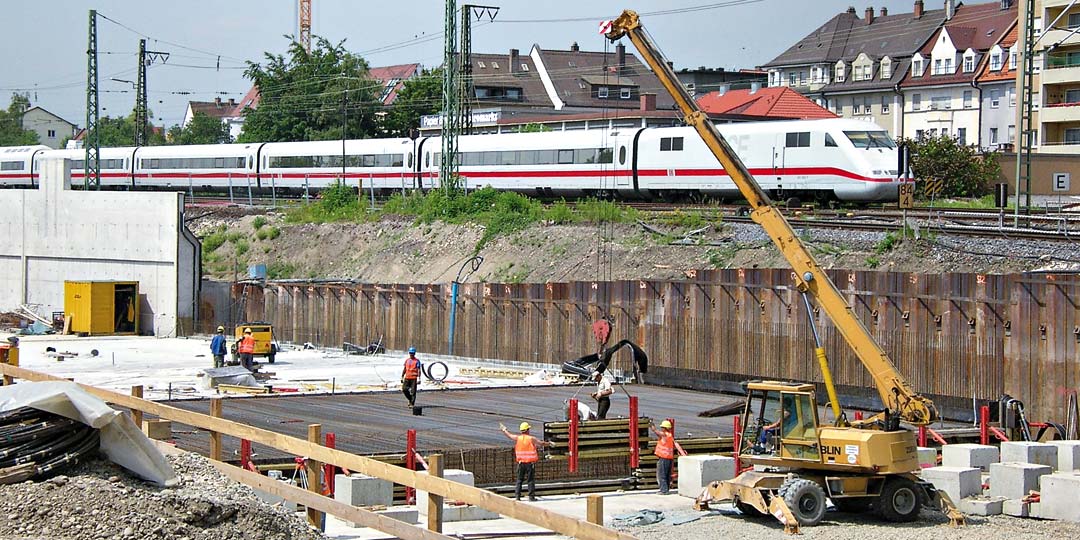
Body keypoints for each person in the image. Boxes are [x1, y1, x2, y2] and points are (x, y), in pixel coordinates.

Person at [500, 422, 552, 501]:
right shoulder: (531, 439)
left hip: (521, 463)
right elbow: (541, 443)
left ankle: (517, 497)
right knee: (530, 480)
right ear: (527, 430)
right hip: (530, 464)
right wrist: (550, 444)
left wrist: (504, 430)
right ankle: (531, 497)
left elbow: (510, 436)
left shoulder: (518, 438)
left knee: (519, 480)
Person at [650, 419, 686, 495]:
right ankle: (666, 489)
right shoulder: (670, 436)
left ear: (664, 428)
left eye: (662, 427)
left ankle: (664, 490)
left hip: (663, 458)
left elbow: (655, 431)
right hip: (669, 458)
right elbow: (675, 444)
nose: (661, 428)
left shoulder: (664, 435)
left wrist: (651, 424)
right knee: (667, 474)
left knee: (661, 474)